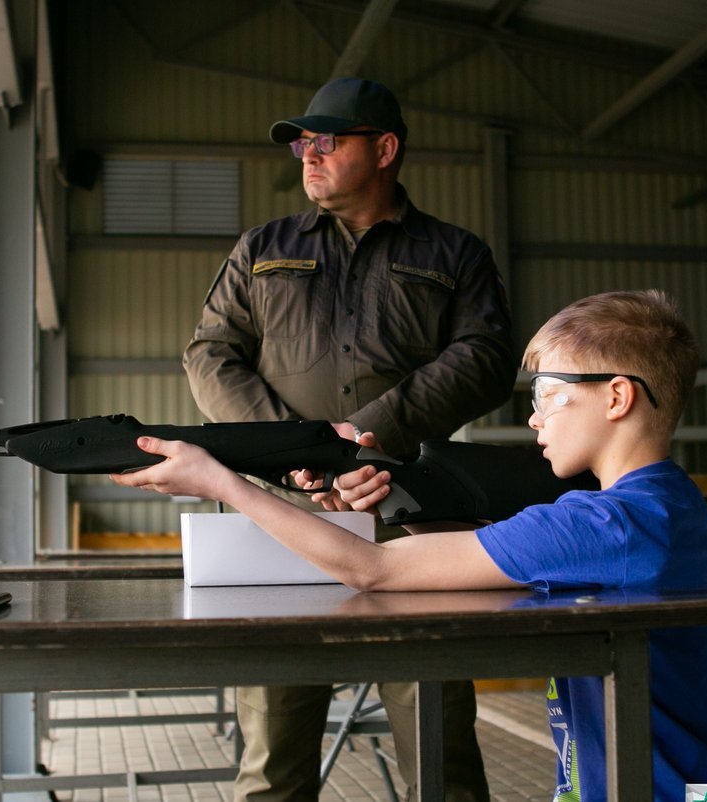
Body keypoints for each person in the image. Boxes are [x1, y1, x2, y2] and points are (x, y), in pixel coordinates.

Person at [120, 289, 707, 802]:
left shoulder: (601, 523)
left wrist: (218, 481)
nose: (534, 418)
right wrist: (392, 498)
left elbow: (375, 569)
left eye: (547, 394)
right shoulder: (668, 505)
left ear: (617, 396)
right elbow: (475, 555)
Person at [182, 76, 515, 801]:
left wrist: (370, 435)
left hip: (412, 514)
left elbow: (487, 357)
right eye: (303, 143)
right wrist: (293, 450)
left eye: (326, 141)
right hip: (284, 512)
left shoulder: (454, 253)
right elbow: (209, 354)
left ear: (385, 149)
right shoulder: (262, 248)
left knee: (438, 737)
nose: (309, 155)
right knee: (272, 750)